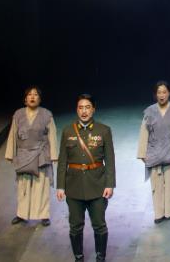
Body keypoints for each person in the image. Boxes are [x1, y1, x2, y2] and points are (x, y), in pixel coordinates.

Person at [57, 94, 115, 262]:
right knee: (75, 226)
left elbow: (110, 160)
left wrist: (110, 184)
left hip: (97, 185)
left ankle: (100, 257)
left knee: (99, 225)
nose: (84, 111)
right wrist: (60, 186)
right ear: (77, 110)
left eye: (87, 107)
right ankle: (79, 257)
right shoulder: (67, 131)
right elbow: (62, 161)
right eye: (81, 107)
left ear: (93, 109)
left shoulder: (104, 130)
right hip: (73, 186)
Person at [137, 81, 170, 224]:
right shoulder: (149, 112)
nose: (161, 95)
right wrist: (142, 153)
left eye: (164, 92)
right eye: (159, 92)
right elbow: (144, 133)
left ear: (169, 93)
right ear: (155, 94)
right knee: (156, 186)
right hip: (154, 153)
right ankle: (159, 214)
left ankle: (169, 212)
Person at [5, 86, 58, 226]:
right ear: (25, 99)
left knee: (41, 185)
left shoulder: (46, 114)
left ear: (40, 99)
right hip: (24, 155)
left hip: (41, 155)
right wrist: (10, 153)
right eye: (29, 94)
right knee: (23, 186)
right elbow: (13, 134)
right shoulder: (18, 114)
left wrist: (53, 155)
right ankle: (22, 214)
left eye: (35, 95)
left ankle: (43, 214)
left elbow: (52, 134)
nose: (32, 97)